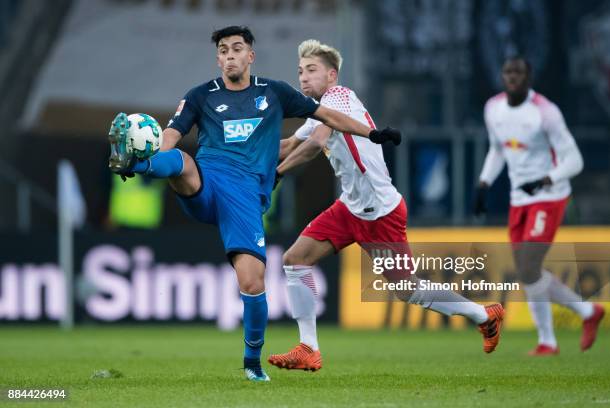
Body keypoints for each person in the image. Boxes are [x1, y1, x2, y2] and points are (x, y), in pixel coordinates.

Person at [107, 26, 402, 382]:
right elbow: (174, 131)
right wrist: (156, 151)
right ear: (218, 58)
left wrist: (371, 133)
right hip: (208, 181)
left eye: (237, 49)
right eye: (224, 51)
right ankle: (137, 164)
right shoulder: (200, 96)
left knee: (252, 282)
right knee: (183, 164)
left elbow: (327, 116)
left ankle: (252, 362)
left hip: (245, 198)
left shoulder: (274, 93)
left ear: (250, 56)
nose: (230, 55)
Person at [267, 39, 505, 372]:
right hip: (349, 209)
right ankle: (308, 347)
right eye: (300, 72)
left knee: (407, 291)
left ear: (332, 75)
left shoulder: (339, 97)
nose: (303, 78)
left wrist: (278, 173)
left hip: (379, 213)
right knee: (294, 260)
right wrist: (244, 151)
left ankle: (484, 314)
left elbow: (314, 145)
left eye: (311, 70)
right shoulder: (316, 111)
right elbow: (289, 145)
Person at [474, 56, 605, 356]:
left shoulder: (546, 112)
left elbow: (575, 160)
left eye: (518, 73)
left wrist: (546, 179)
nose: (512, 78)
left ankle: (555, 335)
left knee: (529, 267)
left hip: (549, 196)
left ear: (529, 77)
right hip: (518, 199)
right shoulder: (493, 108)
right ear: (502, 76)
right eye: (508, 72)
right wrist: (483, 183)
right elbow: (498, 149)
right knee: (527, 272)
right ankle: (574, 323)